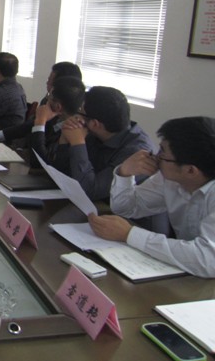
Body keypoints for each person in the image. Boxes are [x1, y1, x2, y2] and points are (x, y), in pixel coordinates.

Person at [88, 117, 215, 278]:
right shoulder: (169, 179)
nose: (155, 157)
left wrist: (130, 234)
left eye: (162, 153)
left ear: (190, 171)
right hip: (188, 275)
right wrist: (125, 173)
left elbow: (208, 260)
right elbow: (125, 208)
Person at [60, 86, 154, 201]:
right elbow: (62, 175)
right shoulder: (96, 132)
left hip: (118, 210)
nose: (77, 117)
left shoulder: (135, 151)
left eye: (81, 113)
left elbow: (90, 191)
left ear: (95, 124)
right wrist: (64, 139)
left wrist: (77, 143)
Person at [0, 61, 82, 143]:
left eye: (50, 81)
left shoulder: (74, 126)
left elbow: (43, 157)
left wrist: (40, 121)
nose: (47, 83)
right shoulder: (47, 101)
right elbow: (29, 126)